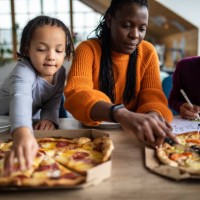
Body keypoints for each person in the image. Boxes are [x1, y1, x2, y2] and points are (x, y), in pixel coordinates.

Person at [64, 0, 178, 148]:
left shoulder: (148, 52)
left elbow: (153, 95)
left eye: (142, 28)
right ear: (110, 21)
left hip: (135, 137)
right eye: (127, 26)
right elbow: (77, 93)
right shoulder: (88, 49)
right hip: (91, 136)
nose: (135, 35)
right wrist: (121, 114)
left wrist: (153, 116)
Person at [0, 16, 74, 172]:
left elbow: (52, 100)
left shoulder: (60, 73)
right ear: (27, 49)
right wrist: (22, 133)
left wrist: (48, 118)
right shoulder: (22, 72)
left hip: (19, 120)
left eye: (59, 50)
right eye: (41, 49)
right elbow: (21, 99)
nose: (51, 56)